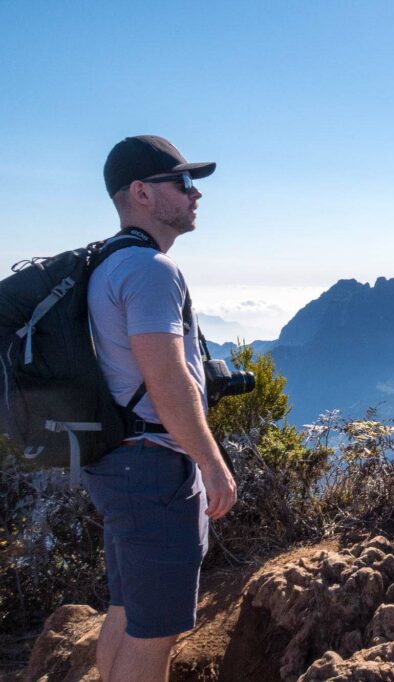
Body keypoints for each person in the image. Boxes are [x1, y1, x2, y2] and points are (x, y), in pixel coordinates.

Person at [83, 135, 237, 682]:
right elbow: (166, 378)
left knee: (128, 612)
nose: (195, 195)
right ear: (142, 193)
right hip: (152, 467)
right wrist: (212, 463)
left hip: (120, 462)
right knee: (156, 636)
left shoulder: (110, 263)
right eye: (184, 182)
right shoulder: (150, 270)